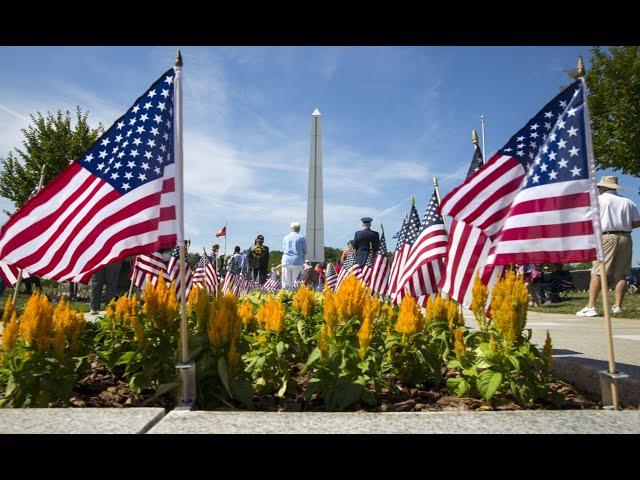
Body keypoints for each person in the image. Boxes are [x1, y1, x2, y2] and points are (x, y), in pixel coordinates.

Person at [577, 176, 640, 316]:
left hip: (606, 236)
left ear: (604, 187)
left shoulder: (598, 200)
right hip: (625, 237)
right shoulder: (628, 201)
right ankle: (617, 306)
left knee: (598, 272)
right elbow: (637, 222)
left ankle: (591, 306)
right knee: (621, 272)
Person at [281, 222, 307, 289]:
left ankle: (285, 297)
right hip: (297, 261)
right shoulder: (301, 238)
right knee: (296, 283)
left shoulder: (285, 238)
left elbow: (284, 249)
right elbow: (304, 251)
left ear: (291, 229)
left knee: (286, 283)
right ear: (299, 229)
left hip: (286, 261)